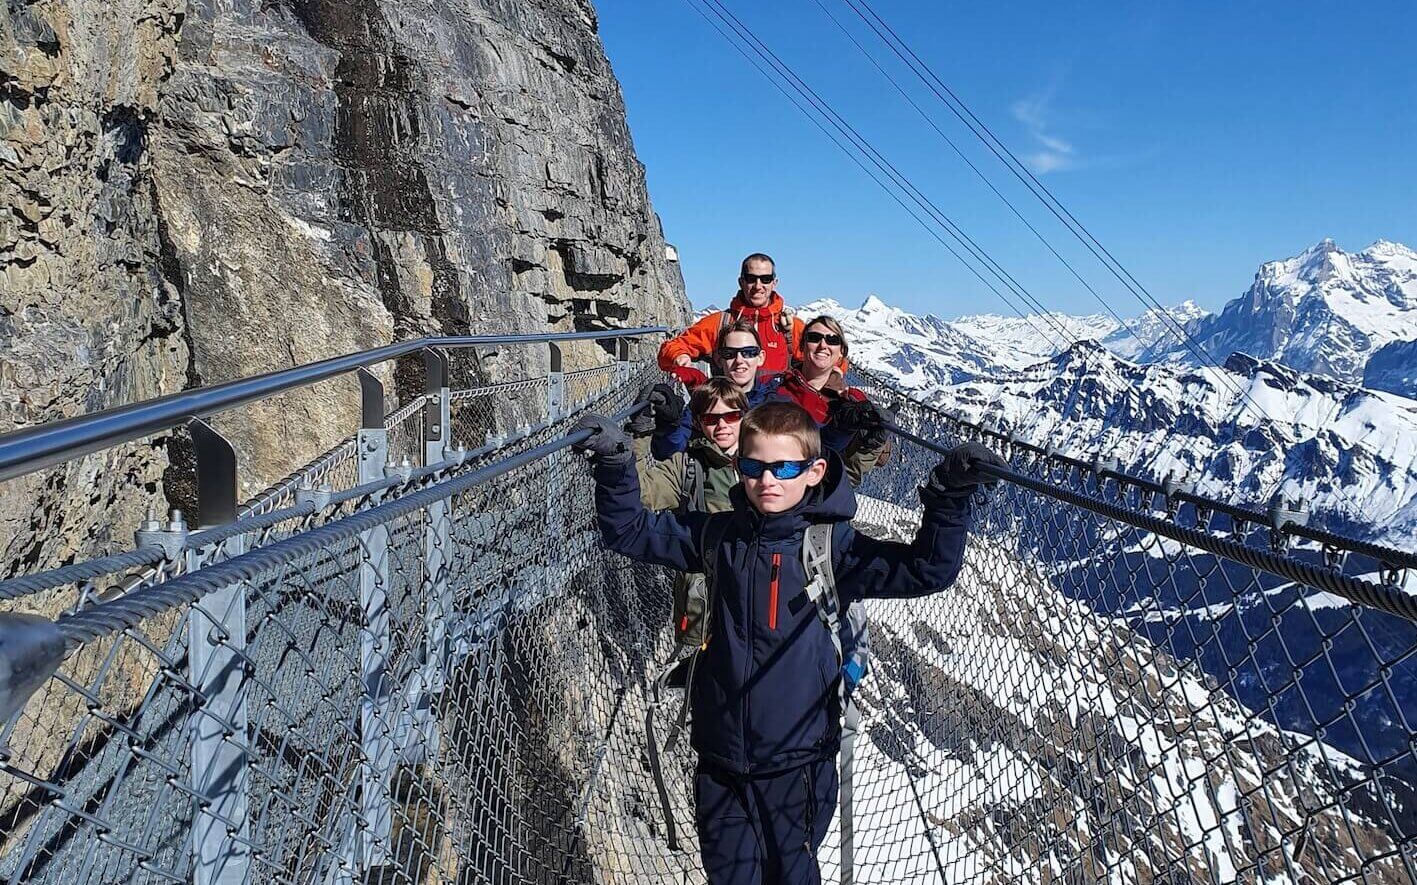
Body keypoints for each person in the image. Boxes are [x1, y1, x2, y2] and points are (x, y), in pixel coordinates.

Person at [571, 401, 1006, 885]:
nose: (767, 480)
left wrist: (947, 498)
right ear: (739, 466)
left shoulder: (831, 548)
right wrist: (615, 467)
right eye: (755, 467)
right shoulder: (720, 536)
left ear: (815, 471)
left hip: (796, 765)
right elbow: (630, 531)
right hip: (720, 759)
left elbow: (926, 570)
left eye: (784, 467)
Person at [658, 253, 806, 375]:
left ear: (774, 283)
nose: (758, 286)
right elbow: (670, 349)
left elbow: (822, 359)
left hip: (775, 409)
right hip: (731, 407)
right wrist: (679, 356)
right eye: (751, 279)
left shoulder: (789, 326)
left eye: (765, 279)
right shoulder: (720, 323)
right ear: (741, 282)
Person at [651, 321, 768, 460]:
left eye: (749, 352)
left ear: (760, 358)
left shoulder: (775, 404)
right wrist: (669, 425)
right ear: (718, 359)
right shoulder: (703, 403)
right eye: (729, 353)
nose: (739, 360)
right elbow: (669, 452)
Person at [631, 377, 747, 513]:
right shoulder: (686, 467)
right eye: (710, 419)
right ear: (697, 423)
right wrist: (640, 433)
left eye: (731, 416)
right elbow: (640, 494)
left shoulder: (767, 456)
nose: (722, 425)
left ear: (744, 416)